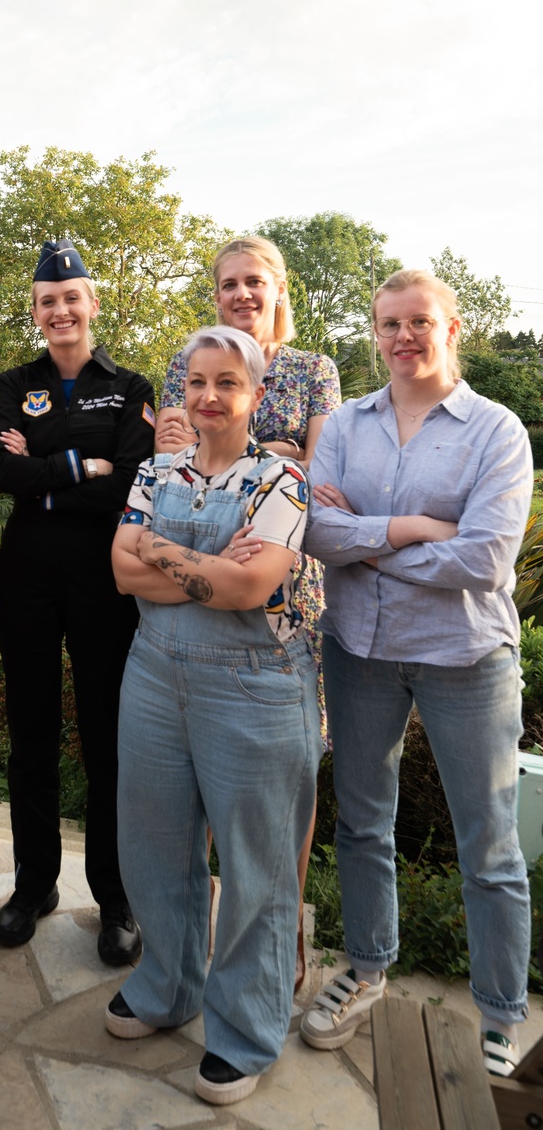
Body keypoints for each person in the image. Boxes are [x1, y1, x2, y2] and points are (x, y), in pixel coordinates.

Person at [299, 270, 533, 1079]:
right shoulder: (349, 425)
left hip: (466, 656)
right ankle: (366, 969)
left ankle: (501, 1014)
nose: (404, 336)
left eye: (419, 321)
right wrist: (411, 527)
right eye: (389, 323)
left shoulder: (496, 431)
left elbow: (486, 558)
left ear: (452, 326)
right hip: (360, 650)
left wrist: (367, 542)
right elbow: (314, 531)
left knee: (490, 846)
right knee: (363, 823)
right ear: (376, 331)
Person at [108, 325, 319, 1108]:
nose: (208, 396)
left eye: (227, 382)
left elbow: (249, 588)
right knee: (155, 839)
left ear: (256, 395)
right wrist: (196, 563)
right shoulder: (155, 466)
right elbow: (120, 567)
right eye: (196, 381)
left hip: (256, 684)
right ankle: (166, 985)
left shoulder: (282, 480)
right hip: (156, 673)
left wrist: (158, 549)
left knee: (256, 864)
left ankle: (245, 1030)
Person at [157, 234, 339, 987]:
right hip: (194, 574)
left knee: (279, 784)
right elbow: (172, 464)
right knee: (194, 769)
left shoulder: (311, 370)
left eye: (254, 281)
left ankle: (279, 935)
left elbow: (318, 477)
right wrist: (274, 453)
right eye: (228, 282)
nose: (241, 293)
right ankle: (197, 937)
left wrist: (254, 461)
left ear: (278, 287)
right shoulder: (186, 360)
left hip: (282, 600)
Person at [0, 239, 156, 961]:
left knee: (106, 734)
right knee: (31, 734)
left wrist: (44, 469)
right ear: (36, 311)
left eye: (71, 297)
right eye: (47, 300)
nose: (60, 309)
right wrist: (79, 464)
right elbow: (0, 472)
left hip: (102, 575)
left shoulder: (132, 386)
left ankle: (114, 896)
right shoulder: (12, 381)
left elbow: (130, 481)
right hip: (26, 573)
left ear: (92, 302)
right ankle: (34, 884)